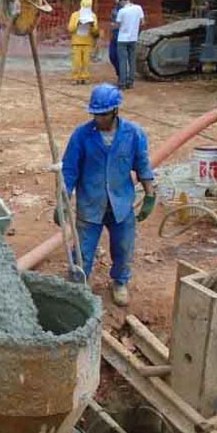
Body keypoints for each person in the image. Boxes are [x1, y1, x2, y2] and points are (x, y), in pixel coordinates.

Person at [61, 84, 155, 306]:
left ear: (115, 111)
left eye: (103, 114)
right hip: (90, 204)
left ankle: (120, 282)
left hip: (121, 205)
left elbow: (142, 165)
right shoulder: (82, 136)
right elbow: (69, 171)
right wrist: (62, 201)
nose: (99, 119)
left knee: (124, 247)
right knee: (83, 250)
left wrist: (150, 194)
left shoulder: (133, 134)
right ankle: (77, 286)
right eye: (95, 114)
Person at [114, 0, 144, 90]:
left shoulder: (122, 11)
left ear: (122, 0)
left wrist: (113, 26)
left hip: (122, 39)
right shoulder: (138, 8)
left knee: (122, 61)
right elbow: (142, 22)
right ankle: (130, 82)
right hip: (133, 38)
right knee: (131, 60)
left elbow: (117, 26)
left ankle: (122, 83)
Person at [67, 0, 100, 85]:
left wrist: (92, 26)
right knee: (76, 61)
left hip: (88, 42)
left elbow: (96, 31)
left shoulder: (93, 16)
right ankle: (75, 77)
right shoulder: (75, 15)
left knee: (86, 61)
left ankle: (85, 77)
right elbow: (70, 28)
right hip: (76, 42)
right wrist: (77, 24)